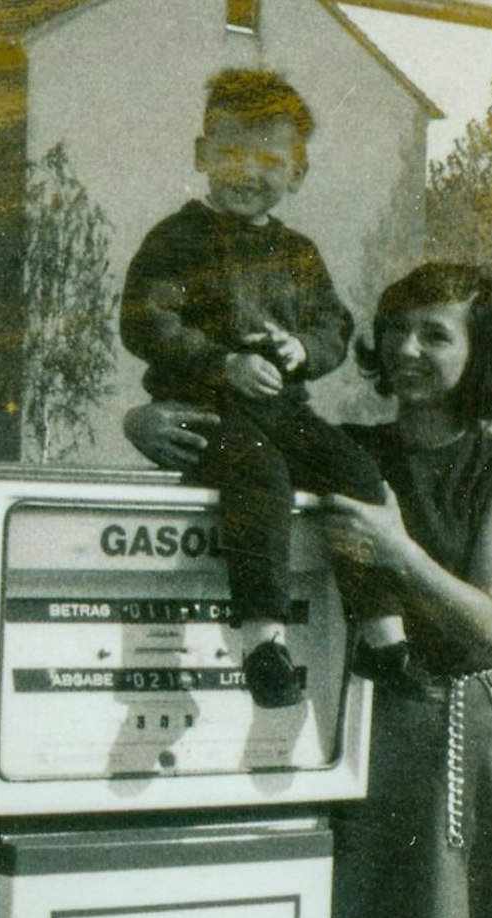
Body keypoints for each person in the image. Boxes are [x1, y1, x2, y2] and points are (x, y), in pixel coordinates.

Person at [125, 262, 492, 918]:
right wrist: (144, 419)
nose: (407, 348)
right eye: (396, 328)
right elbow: (241, 448)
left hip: (453, 743)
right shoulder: (355, 450)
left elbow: (482, 623)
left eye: (436, 334)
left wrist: (394, 550)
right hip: (360, 733)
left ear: (482, 354)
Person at [118, 67, 411, 709]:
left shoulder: (300, 252)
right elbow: (146, 319)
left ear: (298, 173)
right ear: (202, 156)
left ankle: (381, 632)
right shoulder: (177, 240)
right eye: (230, 153)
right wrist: (220, 363)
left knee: (356, 473)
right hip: (206, 411)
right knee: (259, 475)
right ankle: (263, 640)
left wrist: (303, 349)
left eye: (269, 160)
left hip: (283, 406)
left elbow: (334, 323)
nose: (248, 172)